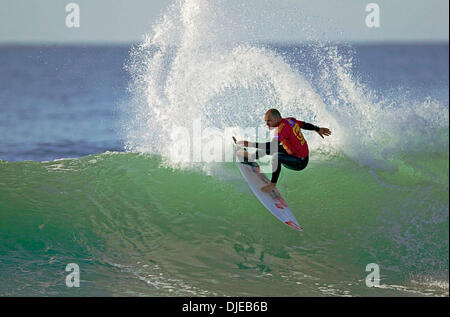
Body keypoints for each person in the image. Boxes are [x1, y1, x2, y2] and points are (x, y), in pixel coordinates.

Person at [236, 109, 331, 193]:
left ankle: (272, 185)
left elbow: (272, 145)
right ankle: (251, 157)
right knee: (273, 149)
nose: (267, 124)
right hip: (294, 152)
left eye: (269, 121)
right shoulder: (289, 120)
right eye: (265, 121)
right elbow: (304, 125)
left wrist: (250, 144)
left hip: (300, 162)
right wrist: (317, 129)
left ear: (277, 118)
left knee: (276, 157)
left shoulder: (281, 129)